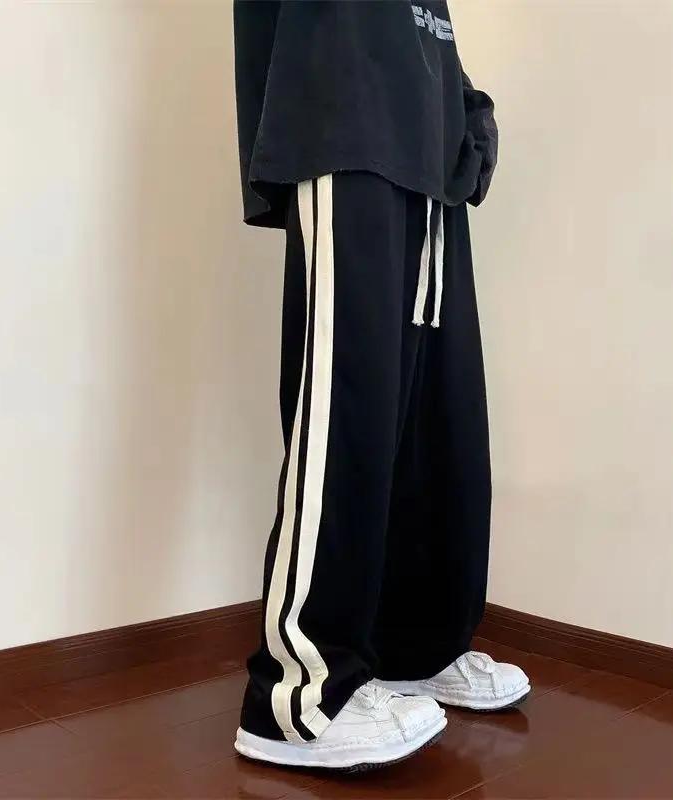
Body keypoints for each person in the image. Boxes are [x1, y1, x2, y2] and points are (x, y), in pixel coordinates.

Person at [232, 0, 530, 771]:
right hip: (344, 115)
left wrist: (463, 108)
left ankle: (416, 648)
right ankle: (299, 695)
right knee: (350, 406)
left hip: (428, 144)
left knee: (438, 414)